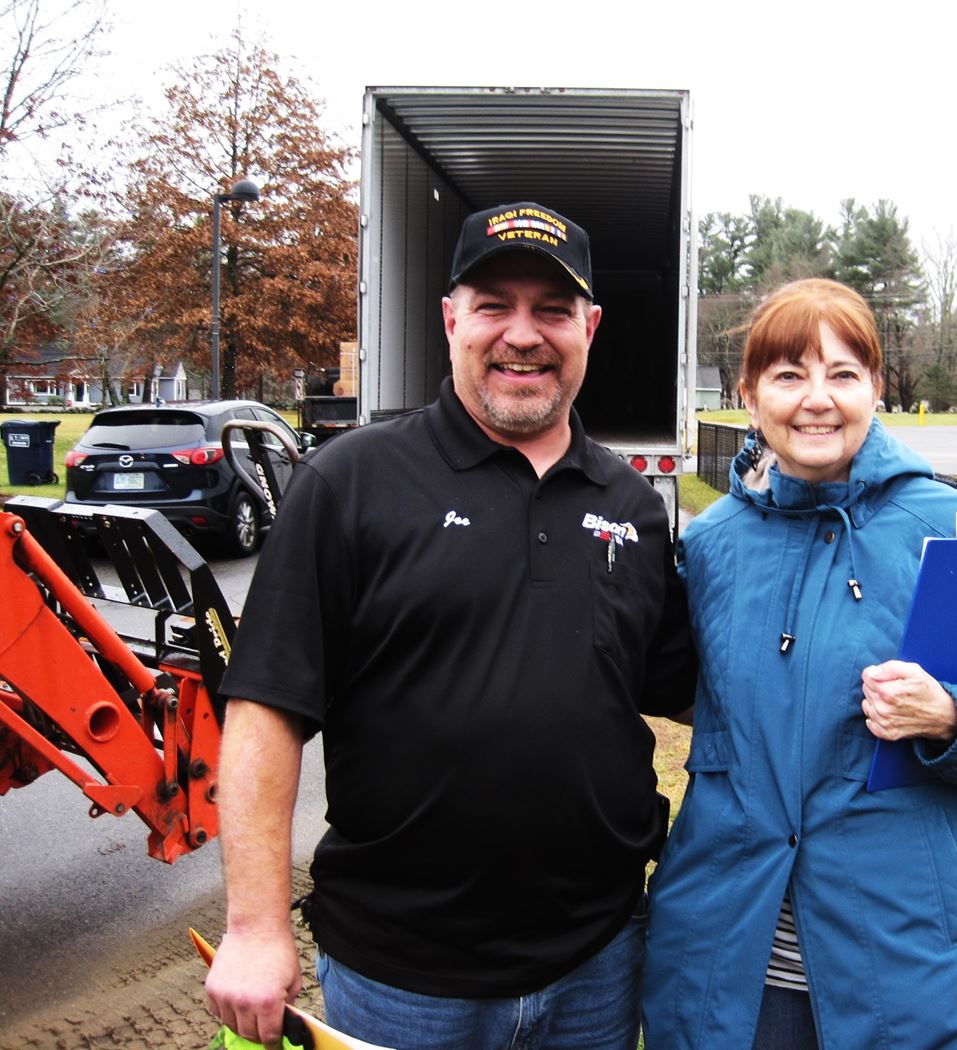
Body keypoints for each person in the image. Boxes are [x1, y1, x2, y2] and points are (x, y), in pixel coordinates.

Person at [204, 201, 695, 1050]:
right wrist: (253, 925)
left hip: (599, 961)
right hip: (401, 977)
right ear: (450, 319)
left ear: (591, 327)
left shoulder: (630, 505)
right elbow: (265, 708)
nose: (522, 334)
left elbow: (689, 687)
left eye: (551, 310)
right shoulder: (350, 482)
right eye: (494, 305)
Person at [640, 278, 957, 1049]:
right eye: (788, 375)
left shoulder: (954, 533)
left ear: (876, 387)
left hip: (909, 978)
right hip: (733, 970)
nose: (817, 399)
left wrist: (951, 716)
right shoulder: (711, 548)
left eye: (842, 374)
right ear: (748, 395)